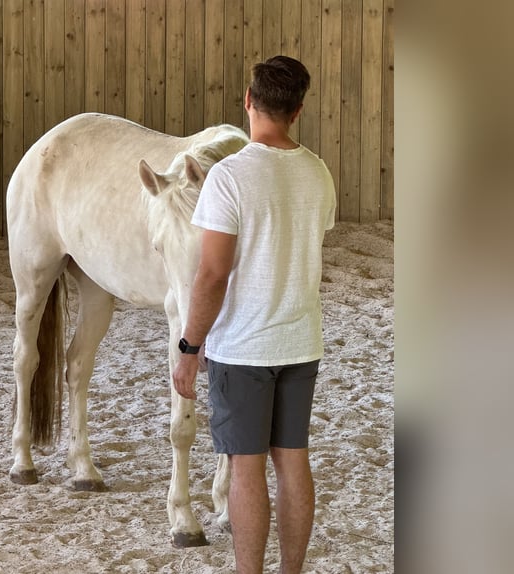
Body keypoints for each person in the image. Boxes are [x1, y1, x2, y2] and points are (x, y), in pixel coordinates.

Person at [172, 55, 336, 574]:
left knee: (246, 468)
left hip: (243, 346)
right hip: (301, 339)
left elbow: (212, 275)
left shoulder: (229, 177)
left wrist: (189, 346)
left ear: (248, 101)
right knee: (293, 459)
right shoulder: (318, 172)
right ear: (299, 110)